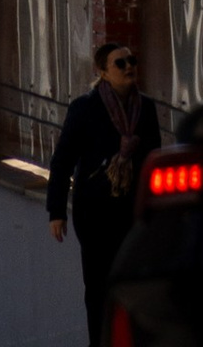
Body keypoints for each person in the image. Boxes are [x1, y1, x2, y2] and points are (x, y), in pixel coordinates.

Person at [47, 34, 162, 346]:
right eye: (120, 63)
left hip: (132, 213)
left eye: (131, 61)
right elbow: (63, 161)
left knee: (134, 282)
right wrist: (56, 211)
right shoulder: (85, 108)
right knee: (99, 285)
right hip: (95, 213)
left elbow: (153, 160)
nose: (129, 68)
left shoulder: (146, 109)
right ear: (103, 72)